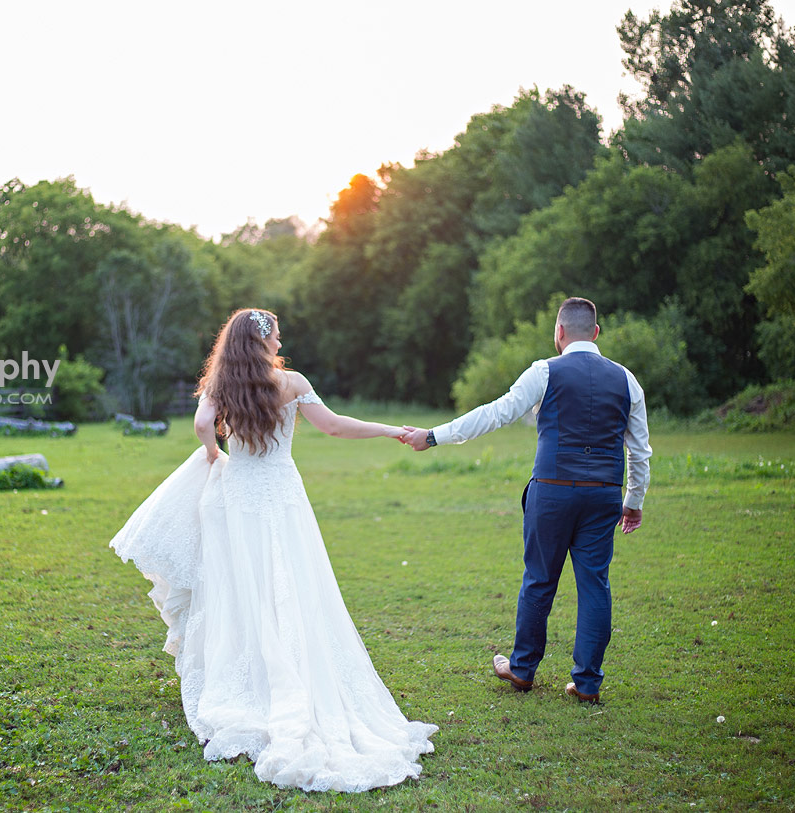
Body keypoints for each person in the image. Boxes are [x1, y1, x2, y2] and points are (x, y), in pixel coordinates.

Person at [110, 308, 437, 792]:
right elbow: (336, 426)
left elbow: (203, 424)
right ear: (264, 341)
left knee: (239, 586)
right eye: (277, 335)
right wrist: (391, 430)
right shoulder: (293, 383)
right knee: (292, 580)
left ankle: (247, 678)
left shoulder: (221, 384)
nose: (281, 342)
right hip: (281, 493)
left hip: (235, 494)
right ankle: (291, 668)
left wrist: (213, 454)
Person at [401, 297, 651, 704]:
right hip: (604, 494)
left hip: (551, 491)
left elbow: (496, 413)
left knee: (539, 579)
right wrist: (633, 500)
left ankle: (522, 670)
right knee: (595, 585)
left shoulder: (545, 371)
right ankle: (586, 683)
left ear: (559, 333)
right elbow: (639, 451)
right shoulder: (627, 380)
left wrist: (433, 436)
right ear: (597, 333)